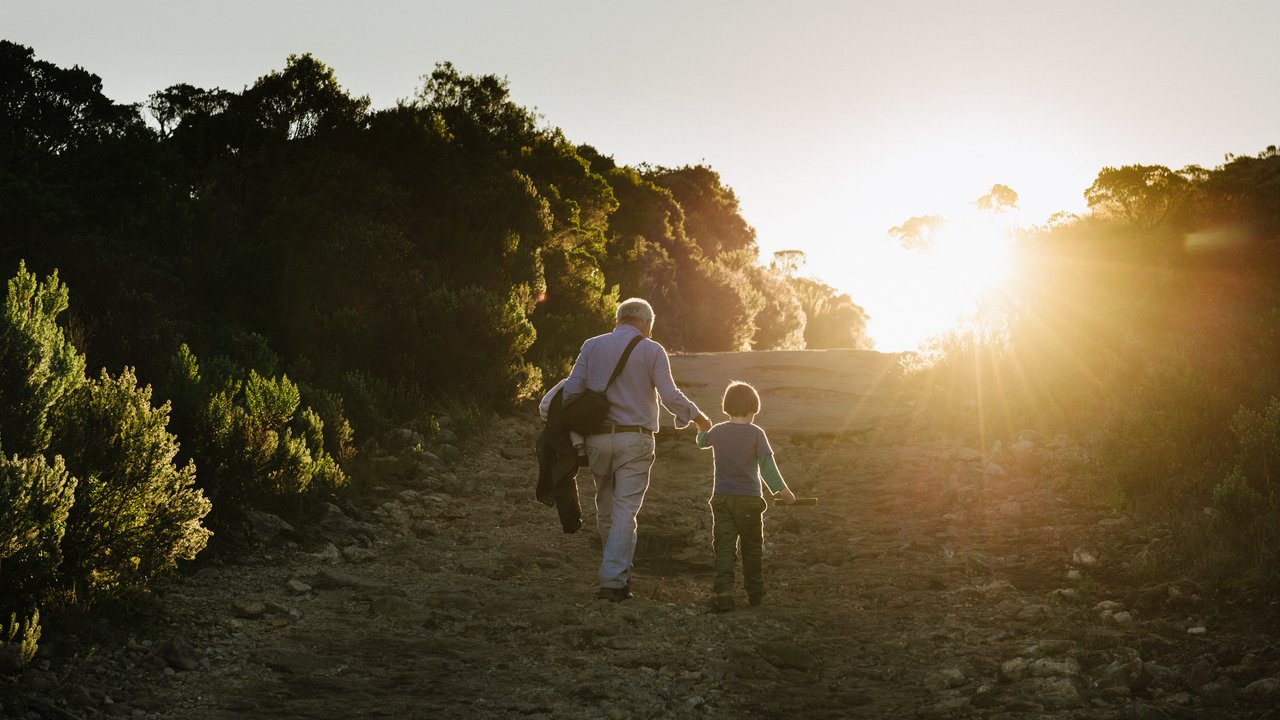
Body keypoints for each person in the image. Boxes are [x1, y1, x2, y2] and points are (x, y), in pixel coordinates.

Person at [564, 298, 711, 602]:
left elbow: (571, 391)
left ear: (618, 320)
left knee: (605, 508)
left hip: (597, 440)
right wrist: (697, 416)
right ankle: (613, 580)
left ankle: (618, 573)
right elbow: (670, 394)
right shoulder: (651, 349)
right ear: (646, 324)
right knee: (625, 510)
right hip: (635, 439)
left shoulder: (591, 346)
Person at [695, 380, 795, 611]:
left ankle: (724, 593)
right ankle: (755, 594)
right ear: (752, 410)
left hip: (721, 499)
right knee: (751, 548)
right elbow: (767, 468)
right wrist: (785, 492)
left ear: (726, 407)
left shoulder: (718, 431)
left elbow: (701, 442)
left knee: (724, 547)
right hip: (749, 501)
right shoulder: (756, 434)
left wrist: (701, 427)